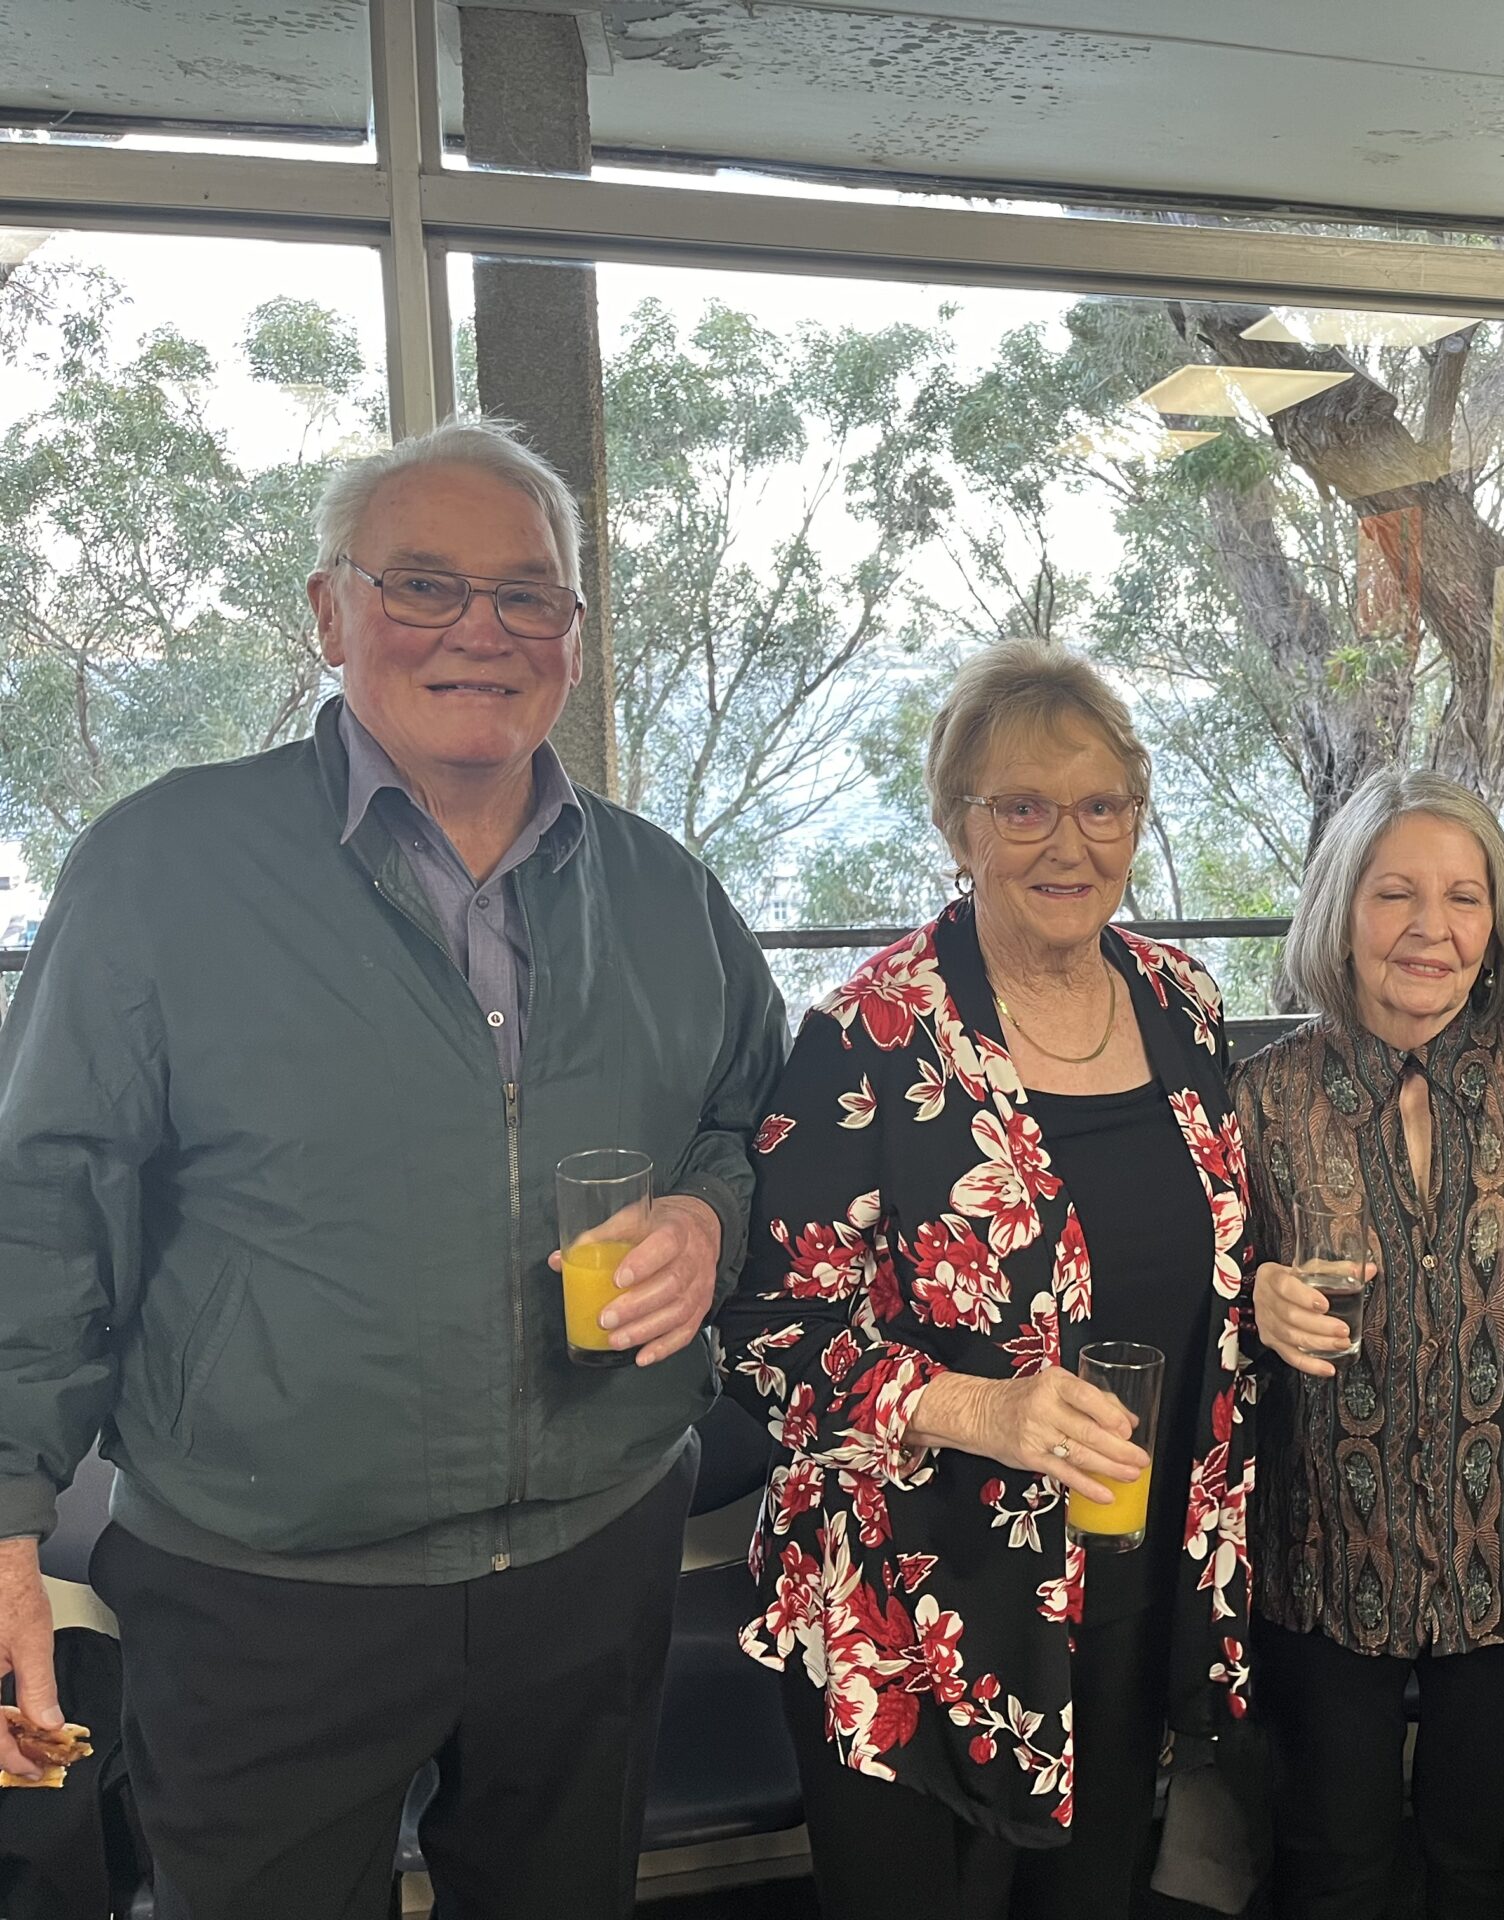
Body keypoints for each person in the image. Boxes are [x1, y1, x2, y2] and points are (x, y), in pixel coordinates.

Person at [0, 420, 786, 1917]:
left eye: (527, 594)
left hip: (594, 1554)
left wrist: (705, 1211)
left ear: (571, 632)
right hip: (266, 1586)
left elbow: (749, 1120)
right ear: (329, 612)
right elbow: (39, 1206)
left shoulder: (663, 890)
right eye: (424, 585)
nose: (481, 631)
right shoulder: (164, 868)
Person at [723, 638, 1255, 1920]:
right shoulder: (867, 1031)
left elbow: (1202, 1255)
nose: (1067, 844)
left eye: (1101, 806)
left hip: (1128, 1568)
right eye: (1022, 808)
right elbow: (765, 1331)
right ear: (957, 826)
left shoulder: (1181, 1001)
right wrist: (981, 1409)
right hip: (914, 1600)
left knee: (1093, 1897)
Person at [1241, 771, 1504, 1920]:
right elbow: (1183, 1295)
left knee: (1487, 1865)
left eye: (1464, 897)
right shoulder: (1259, 1100)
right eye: (1395, 895)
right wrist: (1251, 1299)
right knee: (1333, 1868)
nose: (1432, 928)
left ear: (1496, 924)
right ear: (1340, 913)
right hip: (1325, 1559)